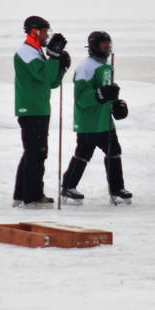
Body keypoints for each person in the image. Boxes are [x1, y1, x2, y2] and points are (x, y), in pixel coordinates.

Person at [60, 31, 133, 206]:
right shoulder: (86, 67)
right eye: (103, 44)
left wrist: (116, 103)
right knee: (83, 154)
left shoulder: (108, 65)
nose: (107, 47)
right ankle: (68, 187)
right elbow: (81, 97)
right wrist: (100, 95)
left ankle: (117, 189)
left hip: (105, 120)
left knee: (114, 152)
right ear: (93, 46)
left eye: (108, 43)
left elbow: (108, 90)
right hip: (88, 120)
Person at [12, 15, 70, 208]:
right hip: (31, 109)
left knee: (32, 152)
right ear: (34, 31)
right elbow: (45, 74)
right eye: (45, 31)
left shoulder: (36, 52)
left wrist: (61, 66)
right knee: (37, 153)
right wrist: (53, 58)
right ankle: (32, 197)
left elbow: (51, 82)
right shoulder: (26, 52)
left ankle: (21, 195)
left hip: (40, 108)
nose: (47, 35)